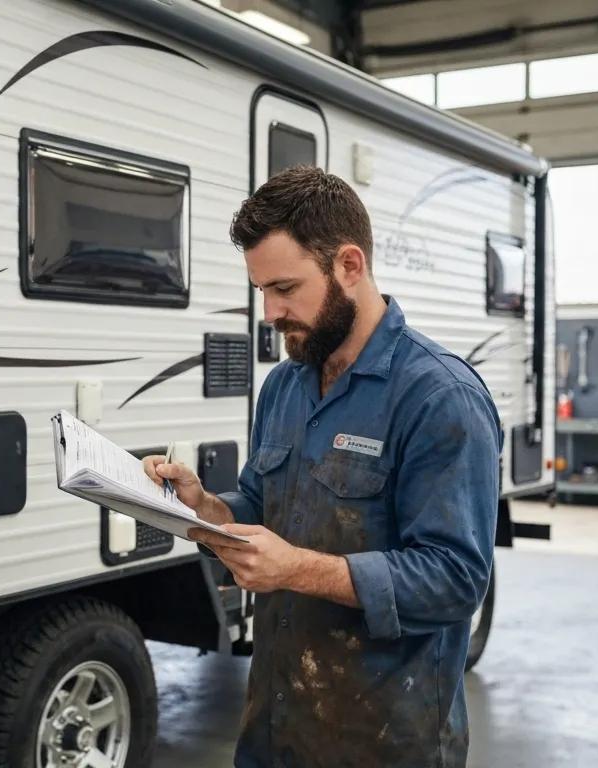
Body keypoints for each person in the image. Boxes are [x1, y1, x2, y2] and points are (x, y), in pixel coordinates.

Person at [143, 166, 502, 767]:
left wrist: (298, 570)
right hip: (276, 729)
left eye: (285, 288)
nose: (269, 312)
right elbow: (261, 505)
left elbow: (454, 580)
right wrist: (204, 508)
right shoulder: (285, 386)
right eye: (261, 290)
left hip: (384, 740)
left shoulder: (439, 397)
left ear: (350, 266)